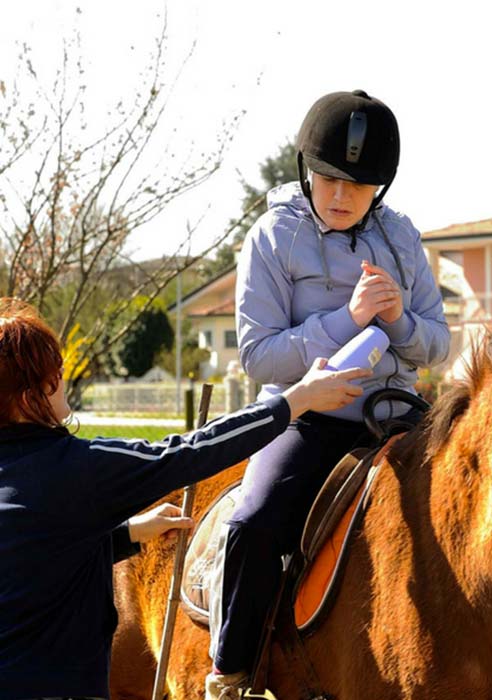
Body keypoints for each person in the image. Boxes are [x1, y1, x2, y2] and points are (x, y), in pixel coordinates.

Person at [0, 298, 370, 700]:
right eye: (52, 375)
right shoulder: (75, 468)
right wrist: (296, 400)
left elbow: (35, 556)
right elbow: (188, 452)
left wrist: (129, 534)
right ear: (27, 397)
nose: (62, 379)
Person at [209, 89, 450, 696]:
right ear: (306, 171)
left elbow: (439, 346)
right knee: (255, 524)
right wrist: (349, 318)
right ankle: (230, 673)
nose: (341, 197)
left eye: (359, 185)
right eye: (329, 179)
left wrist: (398, 321)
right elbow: (259, 355)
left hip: (400, 419)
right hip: (304, 419)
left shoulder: (402, 239)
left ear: (381, 188)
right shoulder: (269, 237)